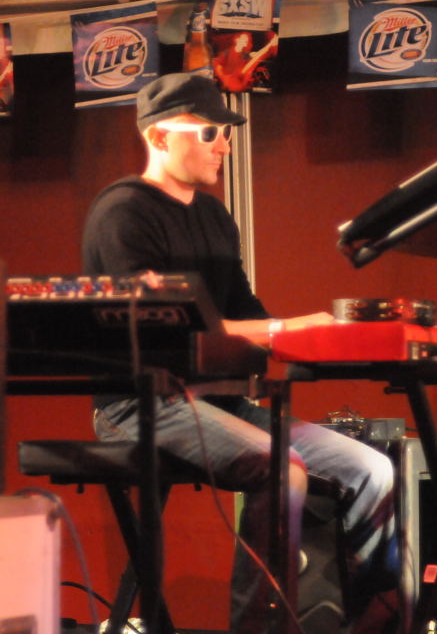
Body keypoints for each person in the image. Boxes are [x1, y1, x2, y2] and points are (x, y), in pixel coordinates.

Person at [81, 73, 398, 633]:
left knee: (372, 469)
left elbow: (245, 312)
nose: (223, 144)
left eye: (225, 133)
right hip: (141, 406)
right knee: (282, 468)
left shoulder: (213, 217)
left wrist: (323, 336)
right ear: (158, 137)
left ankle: (379, 623)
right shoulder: (123, 211)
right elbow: (168, 328)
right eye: (209, 132)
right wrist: (284, 327)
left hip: (220, 404)